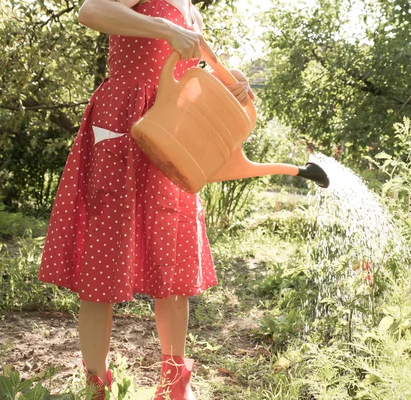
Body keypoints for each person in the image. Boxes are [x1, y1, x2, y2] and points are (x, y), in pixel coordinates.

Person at [37, 0, 254, 398]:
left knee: (172, 259)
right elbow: (90, 12)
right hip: (123, 122)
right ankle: (96, 388)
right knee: (103, 258)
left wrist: (232, 82)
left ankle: (174, 388)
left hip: (173, 132)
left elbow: (196, 70)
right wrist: (165, 28)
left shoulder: (191, 8)